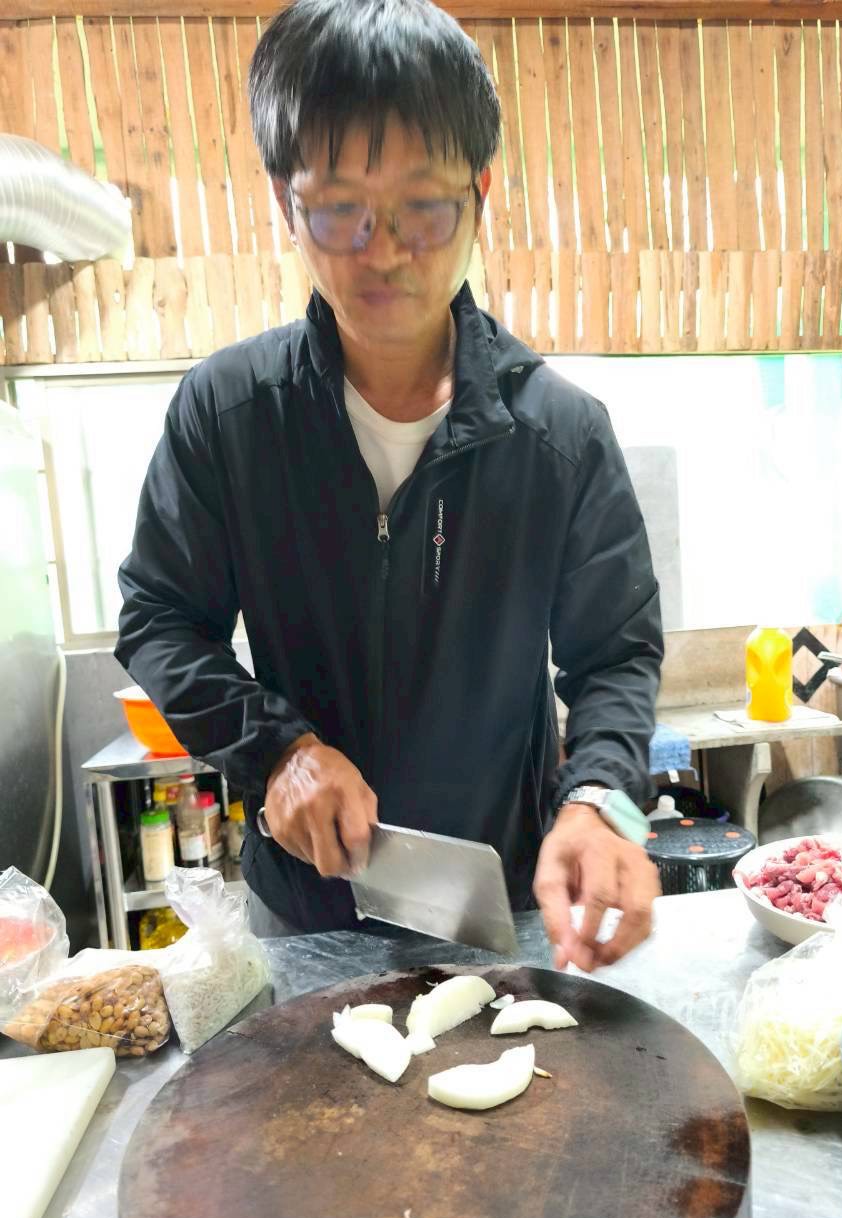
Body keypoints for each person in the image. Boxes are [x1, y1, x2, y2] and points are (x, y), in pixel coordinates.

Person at [115, 0, 663, 972]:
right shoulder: (229, 414)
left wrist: (598, 802)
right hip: (304, 912)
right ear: (285, 201)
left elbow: (615, 657)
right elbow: (160, 617)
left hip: (502, 904)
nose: (384, 248)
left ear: (480, 193)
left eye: (424, 205)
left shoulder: (560, 436)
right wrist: (276, 752)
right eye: (341, 208)